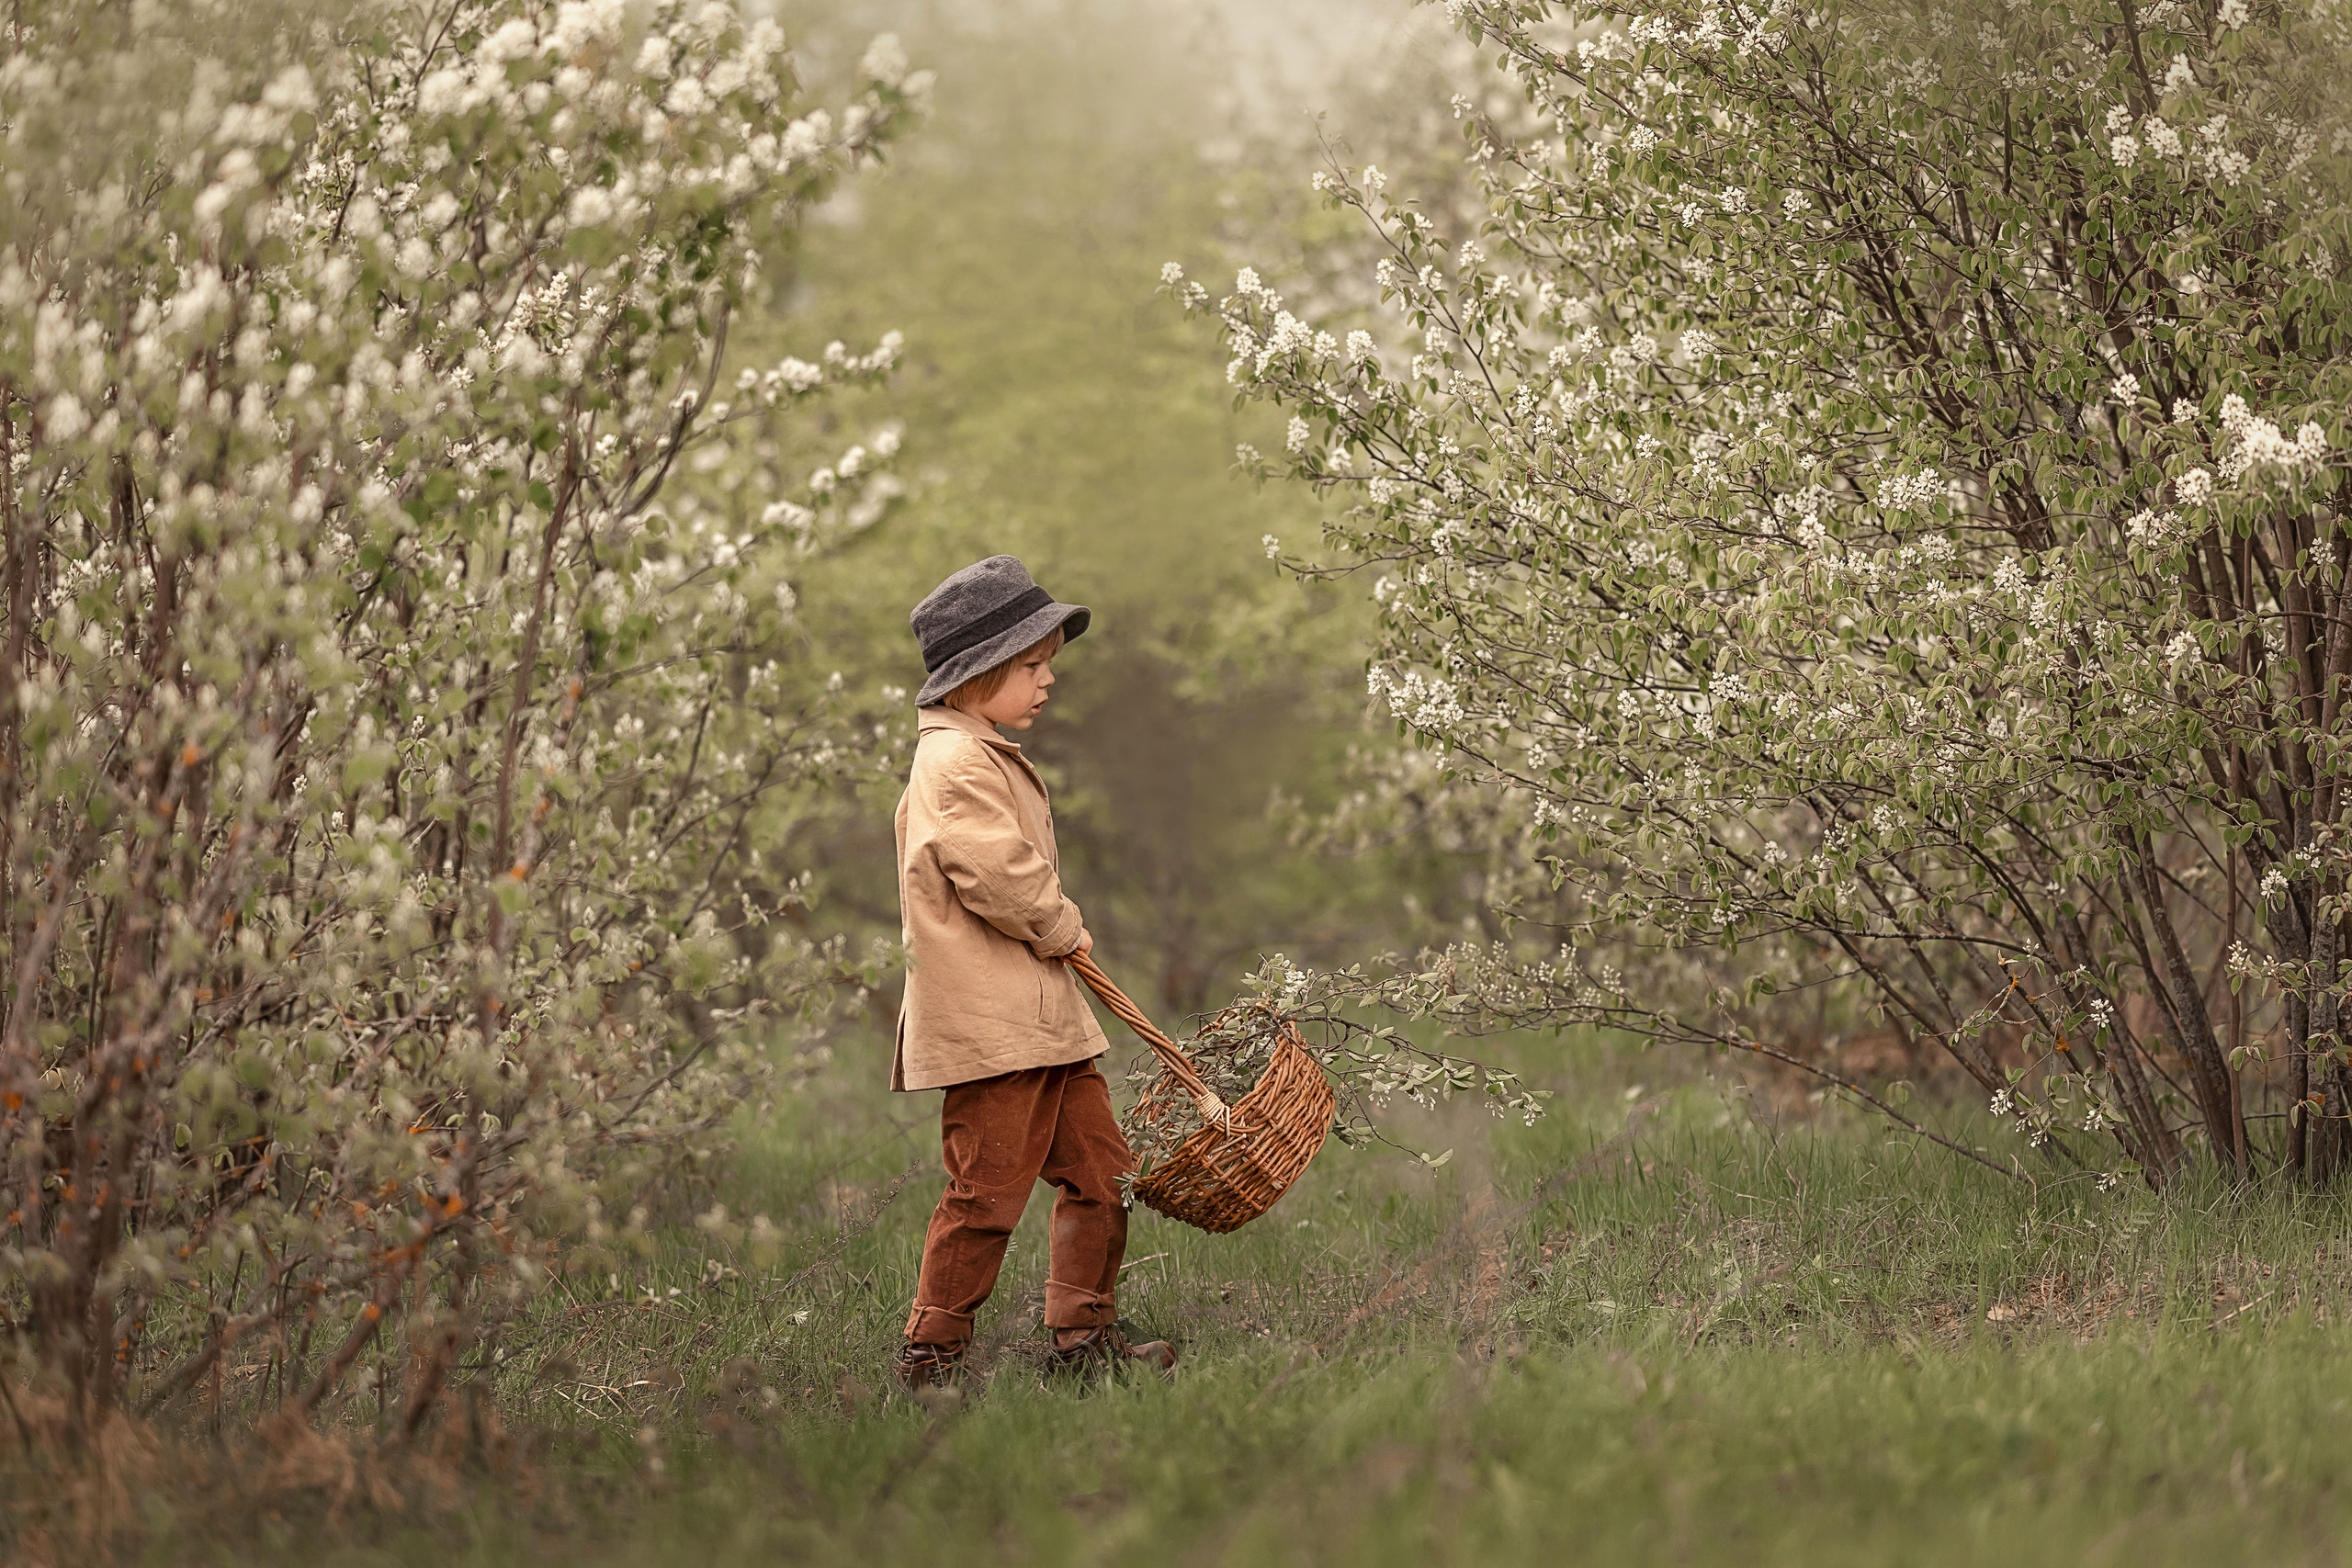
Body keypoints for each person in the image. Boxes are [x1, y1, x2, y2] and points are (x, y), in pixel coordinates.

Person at [889, 554, 1176, 1389]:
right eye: (1031, 666)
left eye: (1048, 662)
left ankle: (1081, 1340)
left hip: (1042, 1025)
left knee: (1104, 1174)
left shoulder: (981, 752)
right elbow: (998, 874)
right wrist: (1061, 922)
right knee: (985, 1195)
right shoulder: (953, 764)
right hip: (995, 1032)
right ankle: (931, 1356)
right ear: (976, 675)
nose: (1048, 680)